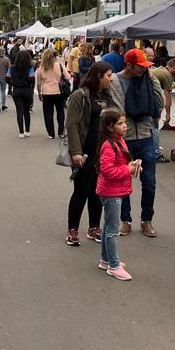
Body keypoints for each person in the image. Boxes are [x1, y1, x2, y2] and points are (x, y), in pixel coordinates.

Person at [107, 49, 163, 237]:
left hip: (147, 136)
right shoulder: (116, 81)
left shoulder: (146, 79)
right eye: (140, 66)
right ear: (129, 65)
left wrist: (151, 77)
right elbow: (120, 109)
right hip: (125, 138)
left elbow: (159, 102)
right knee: (123, 181)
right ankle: (126, 220)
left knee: (149, 182)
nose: (143, 70)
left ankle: (147, 220)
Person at [64, 61, 116, 246]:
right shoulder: (80, 95)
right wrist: (76, 152)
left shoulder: (107, 96)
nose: (111, 79)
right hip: (84, 152)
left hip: (102, 153)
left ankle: (94, 227)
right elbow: (71, 125)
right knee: (81, 190)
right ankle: (72, 230)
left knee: (97, 191)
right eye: (109, 75)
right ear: (99, 76)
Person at [96, 108, 139, 281]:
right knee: (113, 230)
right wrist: (127, 169)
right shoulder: (108, 145)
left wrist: (133, 165)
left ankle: (106, 260)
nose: (125, 126)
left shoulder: (118, 141)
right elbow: (107, 170)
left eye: (124, 122)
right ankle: (113, 265)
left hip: (114, 190)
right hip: (111, 192)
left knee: (108, 226)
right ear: (110, 127)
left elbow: (121, 163)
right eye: (120, 123)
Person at [36, 48, 69, 139]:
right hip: (59, 91)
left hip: (46, 92)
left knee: (48, 113)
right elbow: (68, 77)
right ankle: (60, 132)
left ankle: (51, 133)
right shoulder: (60, 65)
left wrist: (39, 93)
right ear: (54, 56)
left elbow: (39, 83)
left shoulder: (41, 68)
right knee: (60, 112)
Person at [8, 48, 36, 138]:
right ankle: (27, 130)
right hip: (27, 90)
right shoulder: (30, 68)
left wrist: (14, 83)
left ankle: (21, 132)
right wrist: (27, 81)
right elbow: (32, 79)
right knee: (26, 111)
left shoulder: (12, 68)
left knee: (19, 111)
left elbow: (7, 78)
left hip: (16, 90)